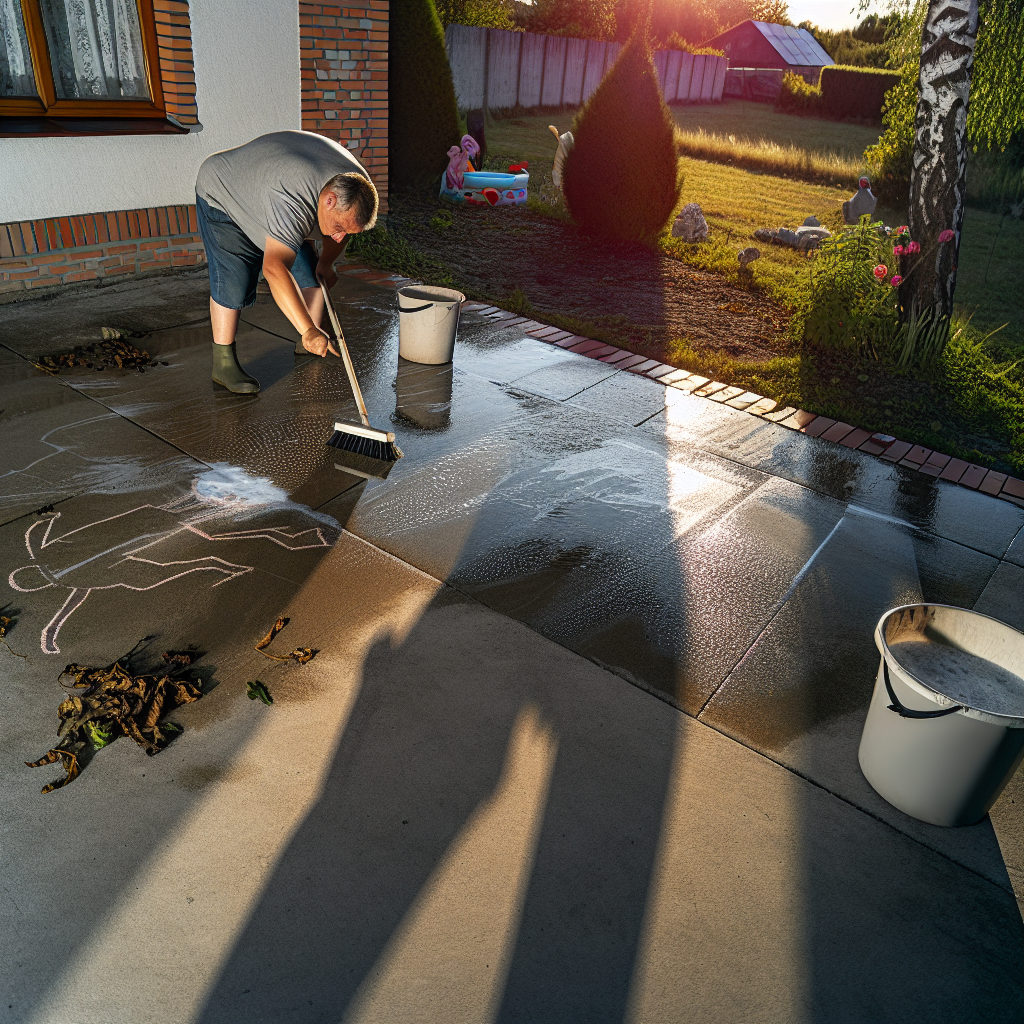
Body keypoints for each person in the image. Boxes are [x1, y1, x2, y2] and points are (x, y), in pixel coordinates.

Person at [194, 130, 379, 393]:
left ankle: (309, 341)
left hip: (269, 191)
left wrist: (325, 265)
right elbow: (273, 268)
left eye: (348, 231)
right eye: (338, 226)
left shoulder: (357, 188)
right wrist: (307, 329)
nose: (340, 237)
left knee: (310, 272)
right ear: (329, 200)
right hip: (223, 195)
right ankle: (223, 364)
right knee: (234, 281)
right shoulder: (291, 197)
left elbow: (340, 234)